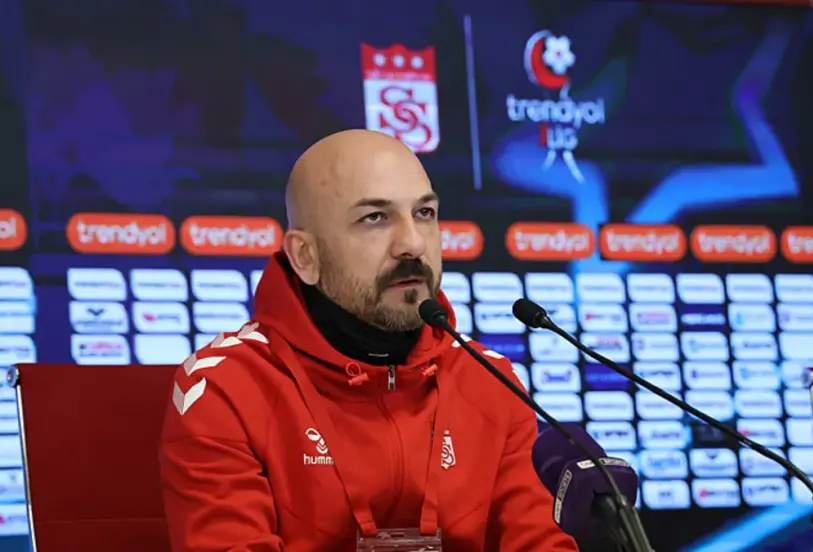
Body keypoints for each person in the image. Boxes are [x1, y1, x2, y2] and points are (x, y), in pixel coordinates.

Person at [159, 129, 578, 551]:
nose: (412, 244)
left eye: (424, 213)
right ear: (305, 256)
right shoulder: (226, 388)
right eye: (375, 218)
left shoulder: (490, 380)